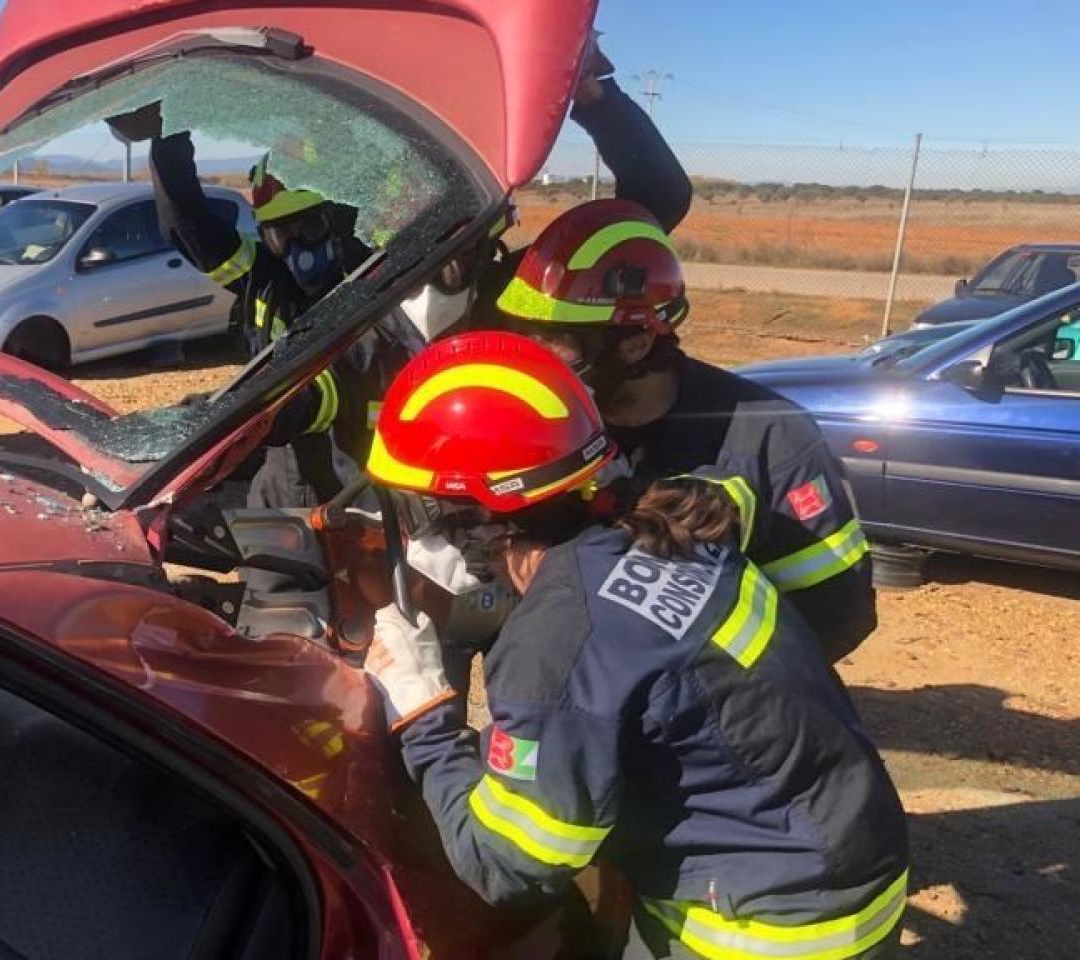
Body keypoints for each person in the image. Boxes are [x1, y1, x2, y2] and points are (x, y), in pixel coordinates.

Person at [363, 331, 910, 960]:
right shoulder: (666, 525)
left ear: (478, 514)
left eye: (419, 505)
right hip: (849, 864)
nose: (417, 528)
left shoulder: (560, 641)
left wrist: (425, 720)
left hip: (764, 931)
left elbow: (509, 865)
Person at [109, 37, 693, 508]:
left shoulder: (470, 281)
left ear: (358, 218)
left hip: (461, 500)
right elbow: (187, 223)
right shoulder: (269, 282)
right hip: (326, 491)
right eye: (278, 234)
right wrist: (171, 123)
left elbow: (656, 198)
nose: (296, 251)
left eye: (311, 230)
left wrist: (596, 96)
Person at [488, 198, 876, 662]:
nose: (534, 361)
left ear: (636, 342)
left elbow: (837, 612)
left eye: (556, 341)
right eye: (525, 334)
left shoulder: (771, 437)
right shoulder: (543, 426)